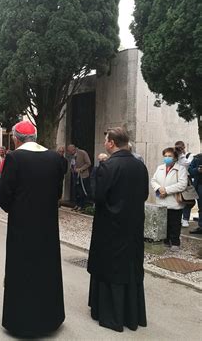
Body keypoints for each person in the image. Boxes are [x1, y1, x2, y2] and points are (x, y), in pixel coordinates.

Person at [0, 121, 65, 338]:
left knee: (23, 270)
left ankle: (23, 321)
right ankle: (49, 317)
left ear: (16, 139)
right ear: (35, 136)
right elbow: (58, 193)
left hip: (22, 226)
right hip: (47, 225)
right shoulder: (55, 158)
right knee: (46, 269)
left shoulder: (15, 158)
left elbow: (4, 195)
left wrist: (18, 210)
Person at [87, 127, 148, 332]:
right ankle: (131, 314)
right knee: (130, 266)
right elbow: (144, 194)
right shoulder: (140, 166)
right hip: (133, 226)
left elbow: (97, 195)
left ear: (111, 143)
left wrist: (97, 170)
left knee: (110, 267)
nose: (105, 143)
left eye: (106, 140)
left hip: (110, 228)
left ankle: (110, 314)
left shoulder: (108, 166)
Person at [151, 147, 188, 250]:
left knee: (174, 223)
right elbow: (153, 180)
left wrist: (166, 190)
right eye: (165, 156)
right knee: (163, 223)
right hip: (161, 200)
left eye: (170, 156)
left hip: (174, 201)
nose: (167, 158)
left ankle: (175, 242)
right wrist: (159, 189)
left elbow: (182, 185)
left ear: (175, 157)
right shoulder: (160, 168)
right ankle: (166, 241)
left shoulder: (180, 169)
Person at [67, 144, 91, 211]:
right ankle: (77, 204)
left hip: (82, 175)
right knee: (76, 191)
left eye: (70, 151)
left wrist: (81, 169)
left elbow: (88, 163)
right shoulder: (71, 156)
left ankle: (82, 205)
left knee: (82, 191)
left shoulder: (82, 153)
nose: (69, 152)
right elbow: (72, 163)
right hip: (75, 175)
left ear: (73, 149)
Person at [175, 141, 194, 227]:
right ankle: (179, 219)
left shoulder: (189, 156)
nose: (179, 149)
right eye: (177, 148)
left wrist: (181, 155)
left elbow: (188, 163)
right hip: (175, 180)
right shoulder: (174, 156)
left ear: (184, 147)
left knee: (188, 200)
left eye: (180, 147)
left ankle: (185, 219)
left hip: (186, 180)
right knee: (177, 200)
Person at [188, 153, 202, 234]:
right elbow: (190, 170)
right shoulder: (197, 158)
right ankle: (201, 226)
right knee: (201, 207)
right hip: (199, 186)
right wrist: (197, 170)